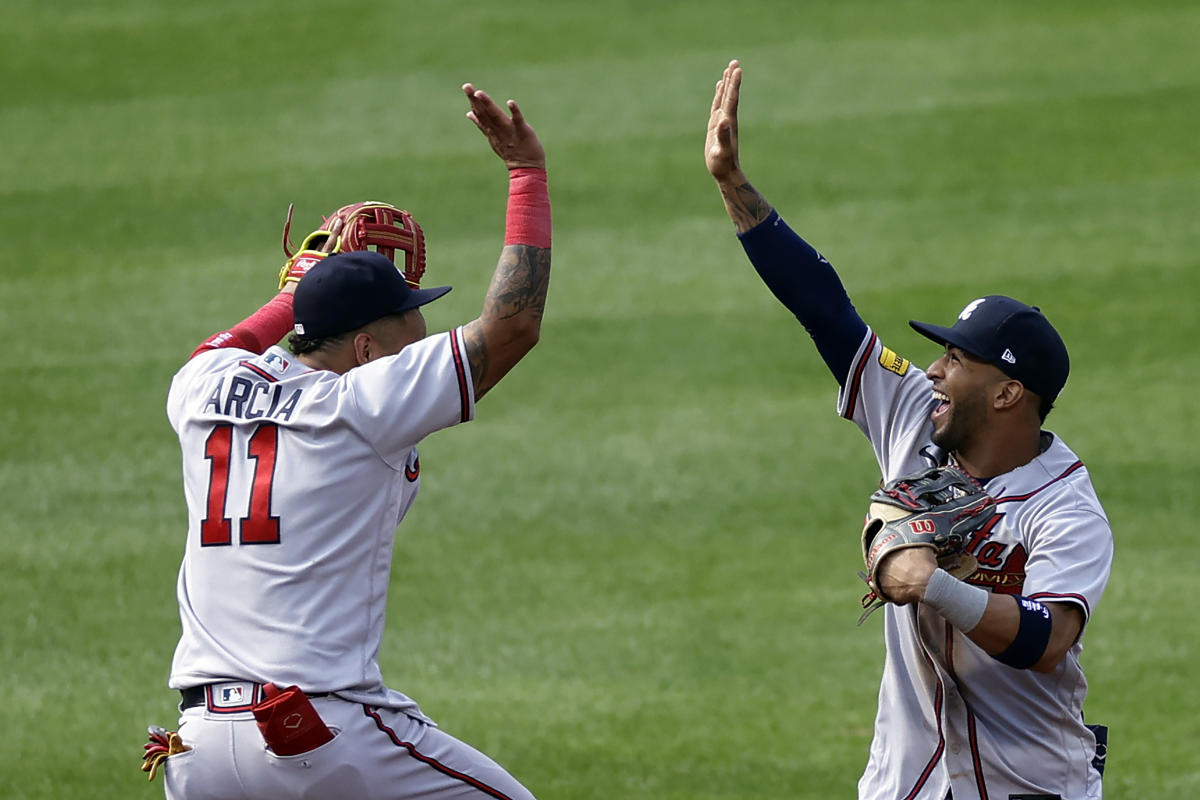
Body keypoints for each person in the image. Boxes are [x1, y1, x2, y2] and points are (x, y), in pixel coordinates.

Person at [704, 60, 1112, 800]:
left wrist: (929, 584)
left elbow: (1048, 640)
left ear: (1009, 392)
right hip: (905, 784)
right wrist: (733, 183)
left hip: (1034, 786)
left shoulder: (1066, 510)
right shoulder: (916, 418)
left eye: (955, 359)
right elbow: (825, 309)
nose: (931, 371)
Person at [154, 82, 551, 800]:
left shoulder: (202, 390)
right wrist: (527, 176)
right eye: (409, 317)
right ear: (367, 348)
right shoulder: (362, 405)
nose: (422, 329)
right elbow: (513, 325)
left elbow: (229, 343)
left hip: (197, 750)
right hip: (319, 739)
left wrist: (308, 282)